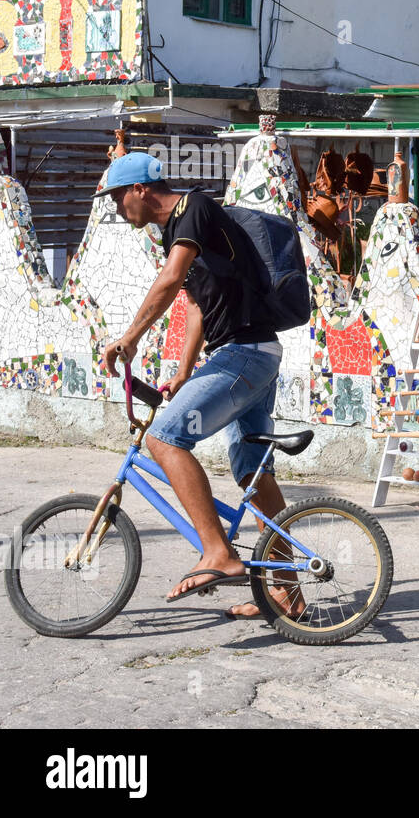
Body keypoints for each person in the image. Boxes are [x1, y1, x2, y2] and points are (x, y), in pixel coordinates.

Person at [99, 152, 296, 618]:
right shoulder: (180, 230)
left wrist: (128, 339)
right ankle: (287, 592)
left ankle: (216, 552)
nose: (116, 207)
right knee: (251, 469)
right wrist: (185, 371)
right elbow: (196, 307)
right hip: (253, 354)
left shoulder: (194, 207)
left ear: (140, 190)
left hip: (244, 355)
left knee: (165, 439)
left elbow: (169, 283)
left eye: (116, 197)